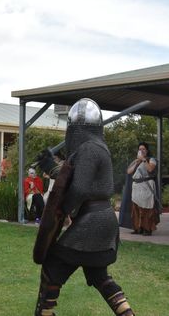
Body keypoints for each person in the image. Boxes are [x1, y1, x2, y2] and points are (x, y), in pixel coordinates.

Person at [35, 98, 134, 316]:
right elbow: (76, 180)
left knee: (52, 267)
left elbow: (79, 189)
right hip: (103, 219)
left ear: (74, 128)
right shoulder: (96, 147)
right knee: (100, 276)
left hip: (91, 220)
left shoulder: (89, 148)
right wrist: (53, 168)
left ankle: (45, 313)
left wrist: (64, 210)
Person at [127, 142, 159, 236]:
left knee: (146, 208)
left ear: (147, 150)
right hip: (136, 186)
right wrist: (137, 161)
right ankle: (138, 228)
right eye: (140, 149)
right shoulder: (137, 161)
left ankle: (147, 229)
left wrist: (144, 160)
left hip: (146, 185)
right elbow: (129, 172)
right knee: (136, 208)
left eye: (143, 149)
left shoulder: (151, 159)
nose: (141, 151)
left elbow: (150, 169)